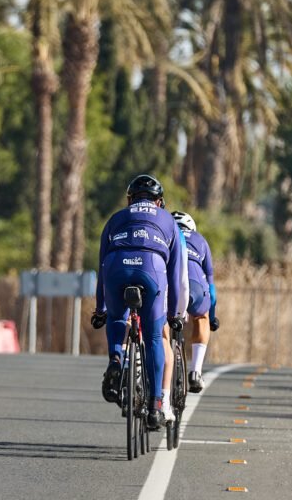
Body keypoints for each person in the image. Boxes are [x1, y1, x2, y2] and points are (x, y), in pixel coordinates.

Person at [92, 175, 187, 430]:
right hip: (152, 270)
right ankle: (156, 406)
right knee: (155, 337)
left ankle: (115, 359)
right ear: (159, 202)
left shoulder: (116, 218)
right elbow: (175, 274)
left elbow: (101, 267)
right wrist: (174, 314)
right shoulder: (169, 222)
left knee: (116, 318)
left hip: (116, 268)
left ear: (129, 199)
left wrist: (100, 309)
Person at [171, 211, 219, 392]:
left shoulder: (165, 232)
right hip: (195, 286)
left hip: (170, 284)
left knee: (161, 320)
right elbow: (212, 290)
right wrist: (212, 317)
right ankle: (195, 372)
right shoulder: (201, 240)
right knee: (201, 317)